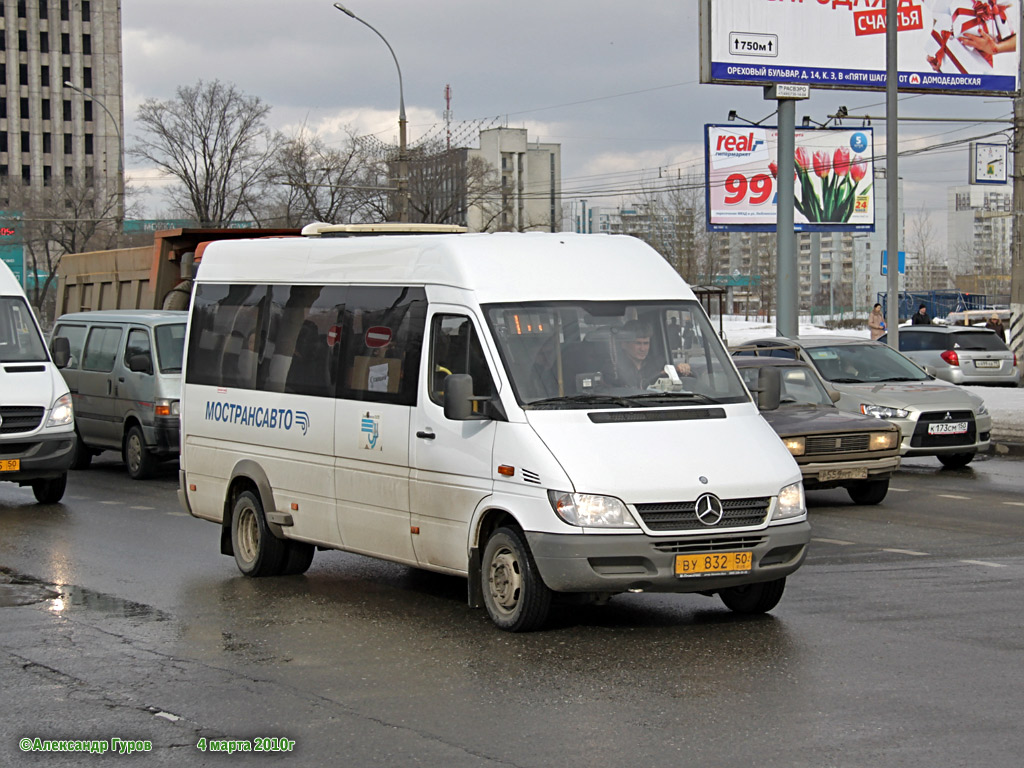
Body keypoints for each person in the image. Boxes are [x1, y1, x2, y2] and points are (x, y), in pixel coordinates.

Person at [608, 320, 691, 389]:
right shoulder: (613, 368)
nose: (643, 349)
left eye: (646, 343)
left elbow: (673, 376)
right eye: (638, 343)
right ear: (624, 344)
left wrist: (681, 369)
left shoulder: (658, 363)